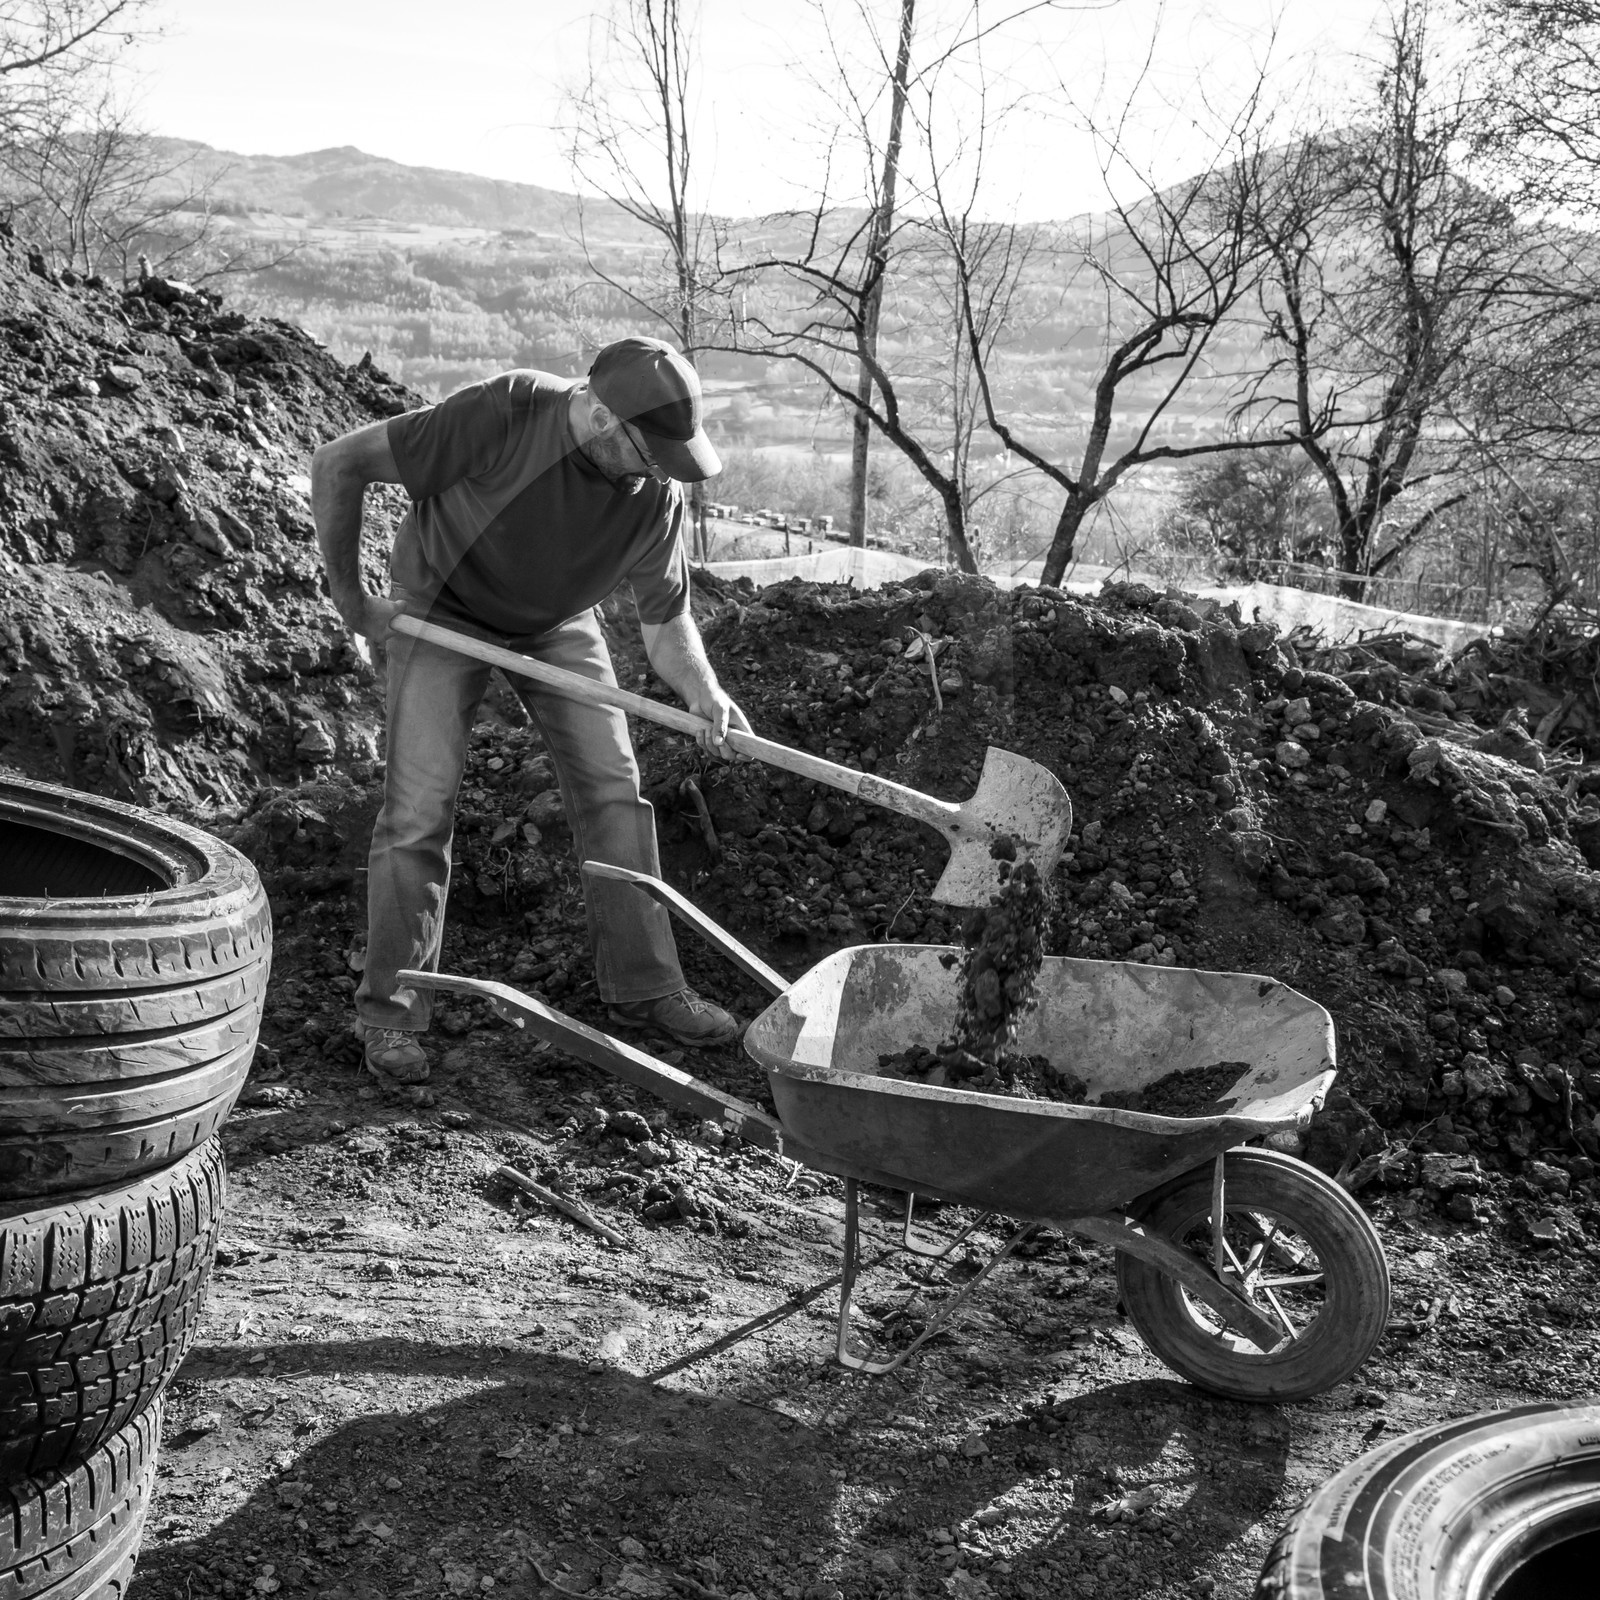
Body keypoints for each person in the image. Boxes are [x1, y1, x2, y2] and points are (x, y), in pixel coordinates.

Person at [311, 336, 751, 1085]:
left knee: (615, 788)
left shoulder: (657, 493)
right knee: (420, 808)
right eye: (652, 453)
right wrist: (354, 602)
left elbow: (666, 620)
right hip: (441, 605)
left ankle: (645, 990)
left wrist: (704, 691)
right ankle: (391, 1009)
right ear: (605, 417)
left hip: (555, 621)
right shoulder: (505, 414)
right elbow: (339, 462)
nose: (660, 473)